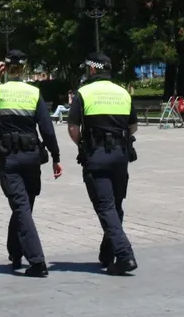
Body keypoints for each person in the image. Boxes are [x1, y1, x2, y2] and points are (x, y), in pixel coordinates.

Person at [0, 49, 62, 278]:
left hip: (9, 158)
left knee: (20, 208)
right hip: (32, 157)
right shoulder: (33, 92)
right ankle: (15, 252)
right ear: (24, 69)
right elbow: (47, 129)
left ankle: (37, 262)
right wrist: (56, 156)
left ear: (5, 68)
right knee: (24, 207)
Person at [67, 52, 138, 275]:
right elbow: (133, 126)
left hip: (96, 156)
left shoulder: (83, 93)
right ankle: (107, 254)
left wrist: (84, 145)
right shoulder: (123, 93)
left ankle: (125, 256)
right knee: (115, 206)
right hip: (121, 156)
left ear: (93, 69)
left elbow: (73, 128)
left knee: (106, 207)